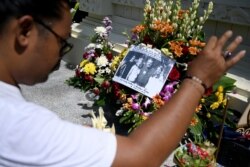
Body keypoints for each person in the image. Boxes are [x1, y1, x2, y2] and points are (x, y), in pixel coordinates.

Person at [0, 0, 246, 166]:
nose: (62, 52)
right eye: (61, 41)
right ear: (25, 31)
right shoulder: (18, 123)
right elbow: (141, 157)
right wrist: (197, 81)